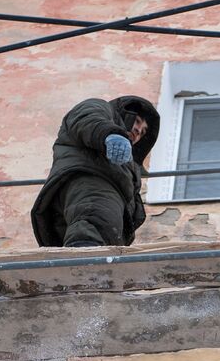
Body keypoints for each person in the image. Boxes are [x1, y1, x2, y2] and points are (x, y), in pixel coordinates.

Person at [30, 96, 160, 248]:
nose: (138, 131)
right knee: (94, 222)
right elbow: (87, 118)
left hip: (93, 211)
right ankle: (86, 262)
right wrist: (109, 133)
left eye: (143, 132)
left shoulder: (129, 166)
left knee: (93, 236)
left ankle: (83, 262)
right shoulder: (101, 108)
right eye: (137, 121)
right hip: (92, 183)